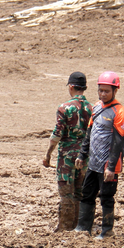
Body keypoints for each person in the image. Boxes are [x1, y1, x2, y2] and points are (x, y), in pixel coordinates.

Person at [74, 71, 124, 239]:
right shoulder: (97, 107)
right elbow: (89, 133)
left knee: (106, 197)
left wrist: (111, 167)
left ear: (115, 91)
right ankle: (83, 228)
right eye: (100, 90)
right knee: (87, 195)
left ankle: (107, 230)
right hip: (93, 162)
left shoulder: (120, 112)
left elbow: (118, 142)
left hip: (108, 164)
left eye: (106, 91)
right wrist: (82, 155)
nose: (103, 94)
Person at [44, 72, 93, 231]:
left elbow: (56, 135)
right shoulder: (92, 108)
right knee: (79, 192)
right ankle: (78, 226)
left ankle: (64, 227)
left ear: (71, 87)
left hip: (67, 156)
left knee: (66, 193)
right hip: (85, 155)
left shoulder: (64, 108)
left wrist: (48, 155)